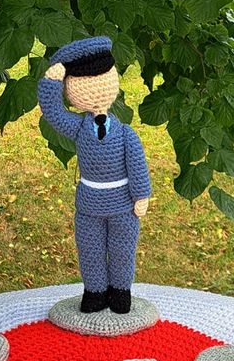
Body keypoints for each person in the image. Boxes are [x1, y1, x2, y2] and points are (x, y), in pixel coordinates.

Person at [38, 37, 151, 313]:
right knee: (90, 249)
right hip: (89, 204)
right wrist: (52, 82)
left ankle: (121, 291)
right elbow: (53, 112)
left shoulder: (125, 134)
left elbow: (137, 165)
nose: (94, 90)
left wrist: (141, 195)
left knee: (123, 249)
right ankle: (95, 291)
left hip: (123, 205)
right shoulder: (78, 128)